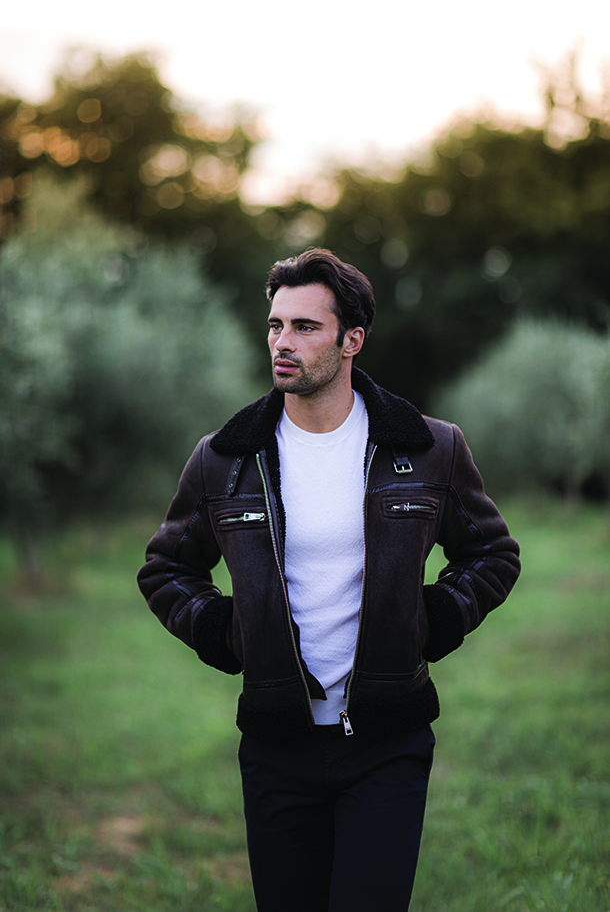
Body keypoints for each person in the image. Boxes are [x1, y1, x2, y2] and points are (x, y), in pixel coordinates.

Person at [137, 248, 521, 912]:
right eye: (275, 324)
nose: (283, 342)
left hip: (388, 741)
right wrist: (218, 629)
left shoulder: (428, 449)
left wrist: (435, 619)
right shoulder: (225, 460)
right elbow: (166, 567)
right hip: (275, 742)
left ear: (352, 340)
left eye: (305, 327)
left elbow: (493, 552)